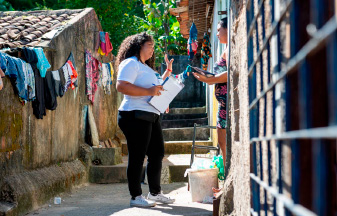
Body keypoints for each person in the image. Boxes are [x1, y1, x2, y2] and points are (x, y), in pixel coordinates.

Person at [116, 32, 175, 208]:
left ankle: (155, 193)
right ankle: (135, 196)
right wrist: (151, 92)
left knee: (157, 154)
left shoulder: (146, 67)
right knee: (137, 156)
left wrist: (166, 75)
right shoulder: (131, 63)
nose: (152, 50)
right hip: (134, 114)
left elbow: (154, 87)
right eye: (150, 45)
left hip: (151, 114)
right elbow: (122, 86)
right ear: (139, 45)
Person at [192, 17, 228, 183]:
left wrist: (210, 80)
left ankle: (228, 177)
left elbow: (229, 74)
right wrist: (207, 77)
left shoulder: (230, 49)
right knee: (222, 143)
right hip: (222, 104)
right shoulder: (225, 49)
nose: (218, 34)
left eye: (220, 30)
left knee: (225, 144)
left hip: (227, 104)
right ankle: (226, 176)